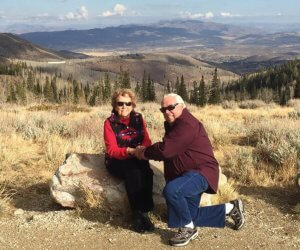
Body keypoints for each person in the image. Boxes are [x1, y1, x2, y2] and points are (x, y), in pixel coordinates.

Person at [133, 93, 245, 247]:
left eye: (171, 107)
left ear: (182, 106)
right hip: (186, 175)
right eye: (163, 109)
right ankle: (231, 208)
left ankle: (188, 229)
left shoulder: (187, 124)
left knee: (172, 191)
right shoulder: (174, 124)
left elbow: (167, 150)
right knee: (187, 216)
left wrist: (143, 152)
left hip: (201, 172)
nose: (166, 111)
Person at [104, 89, 155, 233]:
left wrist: (143, 148)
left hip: (137, 155)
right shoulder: (109, 123)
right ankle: (137, 214)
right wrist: (130, 151)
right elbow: (112, 150)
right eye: (120, 103)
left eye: (128, 103)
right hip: (117, 160)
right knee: (134, 173)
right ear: (115, 105)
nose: (124, 106)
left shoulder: (139, 118)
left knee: (147, 172)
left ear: (133, 105)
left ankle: (146, 210)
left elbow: (146, 139)